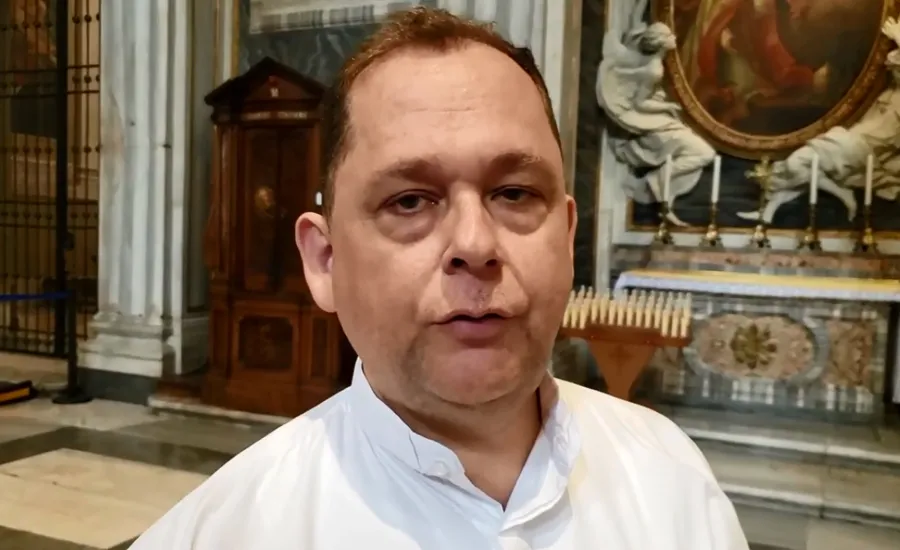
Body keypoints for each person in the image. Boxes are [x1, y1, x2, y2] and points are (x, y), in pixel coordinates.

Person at [130, 7, 749, 549]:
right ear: (325, 261)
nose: (475, 245)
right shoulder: (228, 531)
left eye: (513, 192)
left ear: (566, 239)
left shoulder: (670, 476)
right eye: (409, 201)